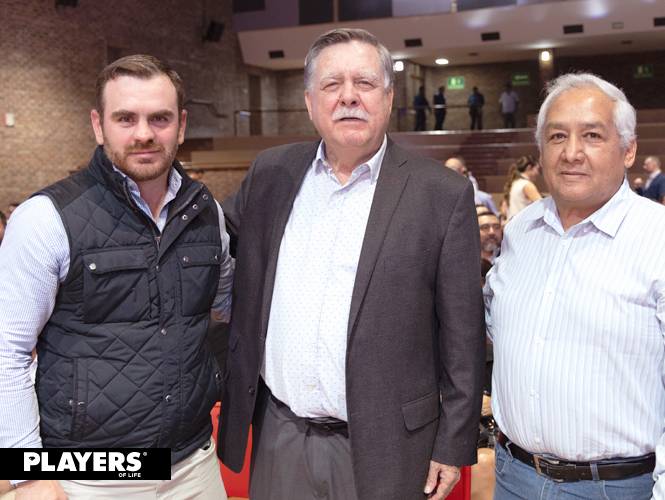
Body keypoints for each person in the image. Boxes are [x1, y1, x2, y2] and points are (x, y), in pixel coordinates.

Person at [217, 28, 486, 500]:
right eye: (331, 84)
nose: (348, 97)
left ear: (387, 96)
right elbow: (212, 245)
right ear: (308, 100)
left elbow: (463, 335)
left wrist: (454, 441)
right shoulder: (270, 173)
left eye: (363, 83)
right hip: (281, 434)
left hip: (390, 446)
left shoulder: (441, 193)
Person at [0, 55, 234, 499]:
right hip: (90, 477)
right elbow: (5, 352)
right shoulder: (46, 218)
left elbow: (227, 305)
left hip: (195, 462)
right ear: (98, 125)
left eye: (159, 118)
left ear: (181, 125)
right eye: (125, 118)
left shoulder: (207, 214)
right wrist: (27, 474)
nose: (144, 133)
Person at [485, 72, 665, 499]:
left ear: (628, 150)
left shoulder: (657, 239)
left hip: (619, 488)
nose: (572, 153)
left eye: (592, 135)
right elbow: (495, 323)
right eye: (557, 136)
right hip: (512, 476)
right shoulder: (521, 231)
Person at [501, 155, 541, 222]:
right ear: (529, 168)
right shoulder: (526, 185)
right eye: (537, 169)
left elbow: (503, 211)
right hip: (523, 227)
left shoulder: (512, 184)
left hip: (511, 227)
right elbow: (542, 207)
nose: (538, 173)